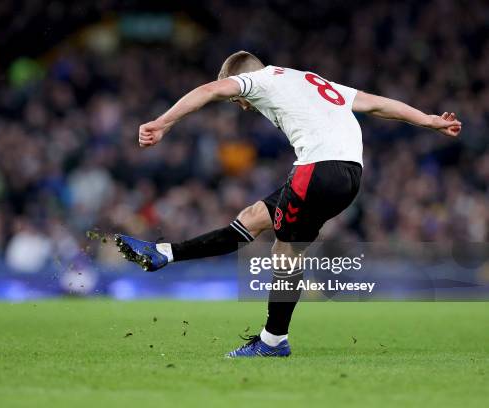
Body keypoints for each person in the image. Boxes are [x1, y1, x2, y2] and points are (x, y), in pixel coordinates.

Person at [114, 51, 462, 358]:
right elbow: (376, 104)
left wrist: (163, 122)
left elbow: (208, 91)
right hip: (349, 174)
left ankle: (273, 341)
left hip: (317, 170)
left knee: (284, 252)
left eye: (236, 97)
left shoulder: (259, 79)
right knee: (252, 219)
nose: (238, 103)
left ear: (242, 76)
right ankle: (164, 253)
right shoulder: (310, 80)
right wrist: (428, 120)